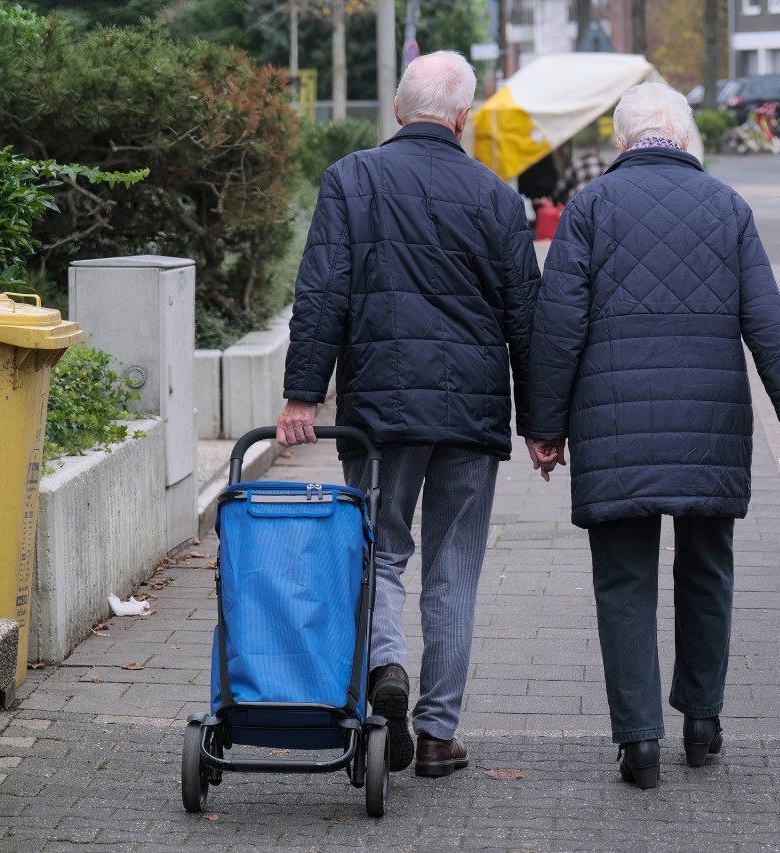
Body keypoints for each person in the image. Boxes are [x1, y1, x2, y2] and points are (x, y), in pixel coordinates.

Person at [525, 82, 780, 790]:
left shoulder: (591, 208)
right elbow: (768, 323)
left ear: (622, 141)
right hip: (710, 423)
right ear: (685, 140)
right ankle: (701, 721)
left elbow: (558, 324)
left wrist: (545, 427)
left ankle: (640, 744)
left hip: (614, 426)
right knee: (707, 568)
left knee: (624, 578)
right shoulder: (728, 207)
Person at [276, 51, 542, 778]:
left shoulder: (351, 179)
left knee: (381, 551)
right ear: (462, 118)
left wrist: (303, 393)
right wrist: (542, 425)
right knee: (455, 568)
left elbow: (323, 291)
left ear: (398, 109)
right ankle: (436, 734)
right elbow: (528, 318)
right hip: (470, 413)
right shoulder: (495, 197)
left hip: (381, 413)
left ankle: (386, 666)